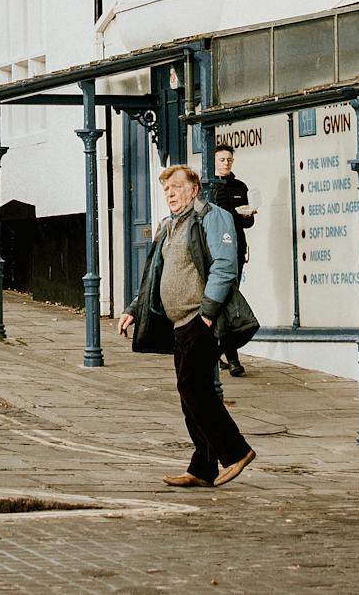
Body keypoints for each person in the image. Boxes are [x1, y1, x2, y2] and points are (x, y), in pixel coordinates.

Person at [117, 164, 257, 488]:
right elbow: (154, 275)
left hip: (200, 318)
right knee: (188, 392)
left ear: (193, 189)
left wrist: (208, 313)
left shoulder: (211, 216)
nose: (170, 196)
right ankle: (203, 467)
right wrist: (135, 309)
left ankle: (236, 451)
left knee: (194, 387)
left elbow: (225, 264)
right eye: (166, 191)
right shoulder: (169, 226)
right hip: (180, 323)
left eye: (176, 189)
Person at [212, 144, 257, 376]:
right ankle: (231, 356)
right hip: (215, 252)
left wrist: (248, 216)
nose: (226, 163)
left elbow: (247, 224)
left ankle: (220, 352)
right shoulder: (208, 188)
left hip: (236, 250)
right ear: (214, 160)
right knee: (222, 300)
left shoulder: (240, 187)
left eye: (229, 159)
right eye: (222, 159)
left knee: (227, 300)